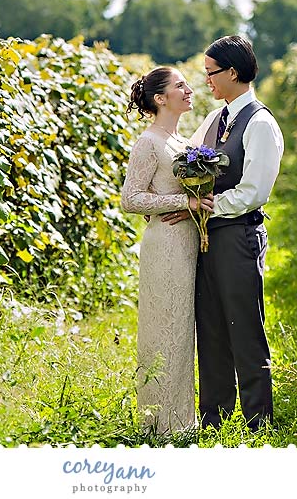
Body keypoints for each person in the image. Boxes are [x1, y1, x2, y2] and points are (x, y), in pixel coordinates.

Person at [163, 35, 284, 430]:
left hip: (237, 236)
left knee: (244, 326)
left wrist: (209, 206)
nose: (207, 82)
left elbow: (254, 190)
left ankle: (258, 420)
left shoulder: (261, 123)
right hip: (207, 236)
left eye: (211, 73)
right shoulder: (217, 119)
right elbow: (187, 157)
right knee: (211, 326)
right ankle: (214, 417)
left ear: (233, 72)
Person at [120, 66, 214, 434]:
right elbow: (131, 198)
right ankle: (159, 424)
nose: (190, 90)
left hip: (188, 243)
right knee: (165, 327)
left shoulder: (183, 142)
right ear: (160, 99)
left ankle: (181, 419)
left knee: (182, 328)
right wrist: (185, 202)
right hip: (165, 245)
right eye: (180, 86)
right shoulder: (149, 142)